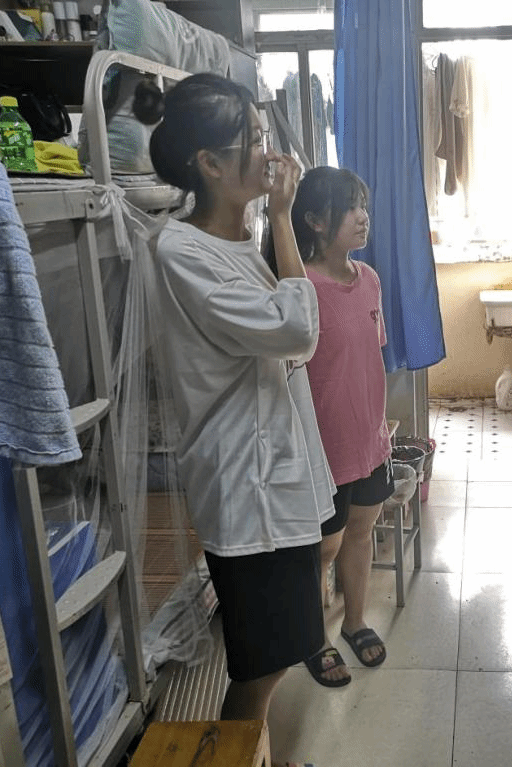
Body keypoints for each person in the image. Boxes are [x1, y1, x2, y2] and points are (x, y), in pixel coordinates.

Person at [135, 74, 334, 767]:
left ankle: (265, 760)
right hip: (244, 487)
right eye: (252, 138)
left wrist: (270, 226)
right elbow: (297, 330)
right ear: (210, 164)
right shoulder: (181, 252)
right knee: (259, 666)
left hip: (272, 474)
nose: (268, 151)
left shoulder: (236, 241)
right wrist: (283, 218)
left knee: (276, 655)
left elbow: (290, 336)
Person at [270, 166, 394, 687]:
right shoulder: (303, 288)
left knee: (362, 532)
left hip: (369, 437)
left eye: (363, 205)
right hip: (324, 446)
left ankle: (355, 621)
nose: (363, 216)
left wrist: (380, 429)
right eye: (350, 208)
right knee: (323, 548)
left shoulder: (370, 280)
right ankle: (315, 639)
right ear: (316, 221)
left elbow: (370, 356)